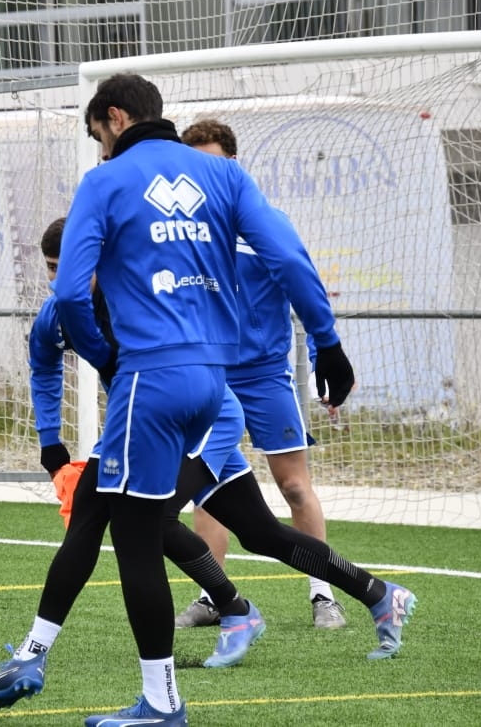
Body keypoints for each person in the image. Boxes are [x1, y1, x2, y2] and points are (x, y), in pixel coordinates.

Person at [0, 219, 416, 712]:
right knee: (258, 533)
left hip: (207, 418)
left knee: (144, 519)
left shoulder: (138, 295)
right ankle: (378, 594)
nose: (59, 279)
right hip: (139, 425)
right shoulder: (60, 312)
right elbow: (44, 362)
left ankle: (222, 618)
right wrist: (51, 443)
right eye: (52, 268)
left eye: (70, 266)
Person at [51, 73, 357, 727]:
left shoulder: (105, 182)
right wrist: (328, 342)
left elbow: (72, 296)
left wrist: (108, 360)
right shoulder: (227, 180)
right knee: (226, 520)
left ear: (113, 118)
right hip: (215, 385)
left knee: (129, 529)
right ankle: (334, 596)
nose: (99, 148)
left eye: (97, 135)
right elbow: (293, 258)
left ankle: (161, 697)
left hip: (156, 380)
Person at [175, 118, 347, 630]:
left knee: (294, 486)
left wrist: (324, 350)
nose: (209, 174)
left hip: (267, 375)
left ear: (234, 164)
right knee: (208, 486)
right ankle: (214, 595)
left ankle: (324, 594)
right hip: (211, 377)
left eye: (216, 163)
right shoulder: (188, 235)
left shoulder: (266, 222)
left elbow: (301, 282)